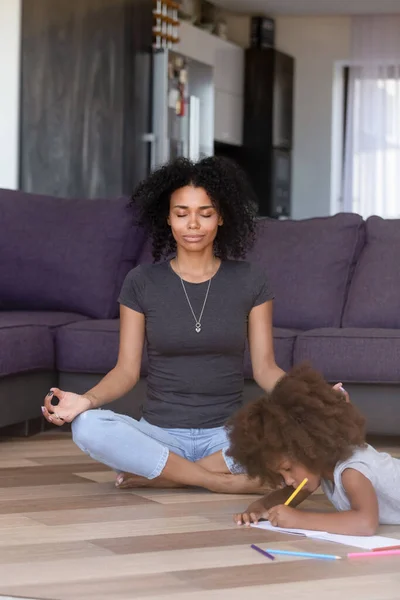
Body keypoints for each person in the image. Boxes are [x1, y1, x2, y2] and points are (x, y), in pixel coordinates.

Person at [41, 156, 287, 494]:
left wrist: (314, 400)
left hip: (229, 437)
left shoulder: (250, 280)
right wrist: (85, 400)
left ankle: (169, 474)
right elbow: (126, 371)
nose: (193, 224)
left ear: (222, 217)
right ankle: (216, 481)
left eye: (205, 213)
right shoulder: (142, 282)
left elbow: (266, 369)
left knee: (296, 426)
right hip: (158, 435)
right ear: (168, 218)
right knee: (88, 426)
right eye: (182, 213)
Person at [228, 364, 400, 534]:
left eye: (288, 469)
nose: (288, 480)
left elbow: (365, 523)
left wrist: (299, 519)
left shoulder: (352, 471)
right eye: (281, 474)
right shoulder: (322, 468)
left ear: (309, 446)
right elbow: (290, 495)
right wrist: (259, 508)